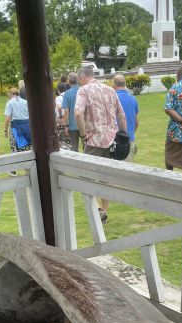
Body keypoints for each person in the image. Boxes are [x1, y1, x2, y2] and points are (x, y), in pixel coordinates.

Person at [74, 66, 127, 223]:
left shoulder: (84, 90)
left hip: (94, 141)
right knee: (106, 178)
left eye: (79, 81)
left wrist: (83, 135)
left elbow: (78, 113)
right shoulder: (110, 90)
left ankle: (96, 209)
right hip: (112, 142)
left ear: (83, 78)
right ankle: (104, 210)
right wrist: (123, 137)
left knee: (86, 177)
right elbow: (122, 116)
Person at [113, 74, 139, 162]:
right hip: (129, 138)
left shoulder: (112, 98)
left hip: (115, 139)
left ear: (114, 85)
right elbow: (137, 123)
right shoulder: (133, 99)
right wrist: (131, 133)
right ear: (125, 84)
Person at [3, 88, 31, 152]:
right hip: (27, 126)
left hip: (16, 127)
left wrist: (5, 130)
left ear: (11, 94)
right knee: (28, 146)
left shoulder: (10, 103)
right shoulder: (25, 102)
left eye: (9, 95)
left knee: (17, 148)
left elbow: (7, 118)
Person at [62, 72, 80, 152]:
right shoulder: (83, 90)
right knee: (87, 148)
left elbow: (66, 111)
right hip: (85, 124)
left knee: (75, 147)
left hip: (73, 125)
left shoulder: (67, 94)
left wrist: (66, 125)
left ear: (68, 81)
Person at [55, 82, 72, 149]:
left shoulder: (59, 98)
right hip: (69, 119)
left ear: (58, 90)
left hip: (61, 120)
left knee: (61, 140)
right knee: (69, 139)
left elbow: (59, 107)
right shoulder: (69, 96)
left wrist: (60, 116)